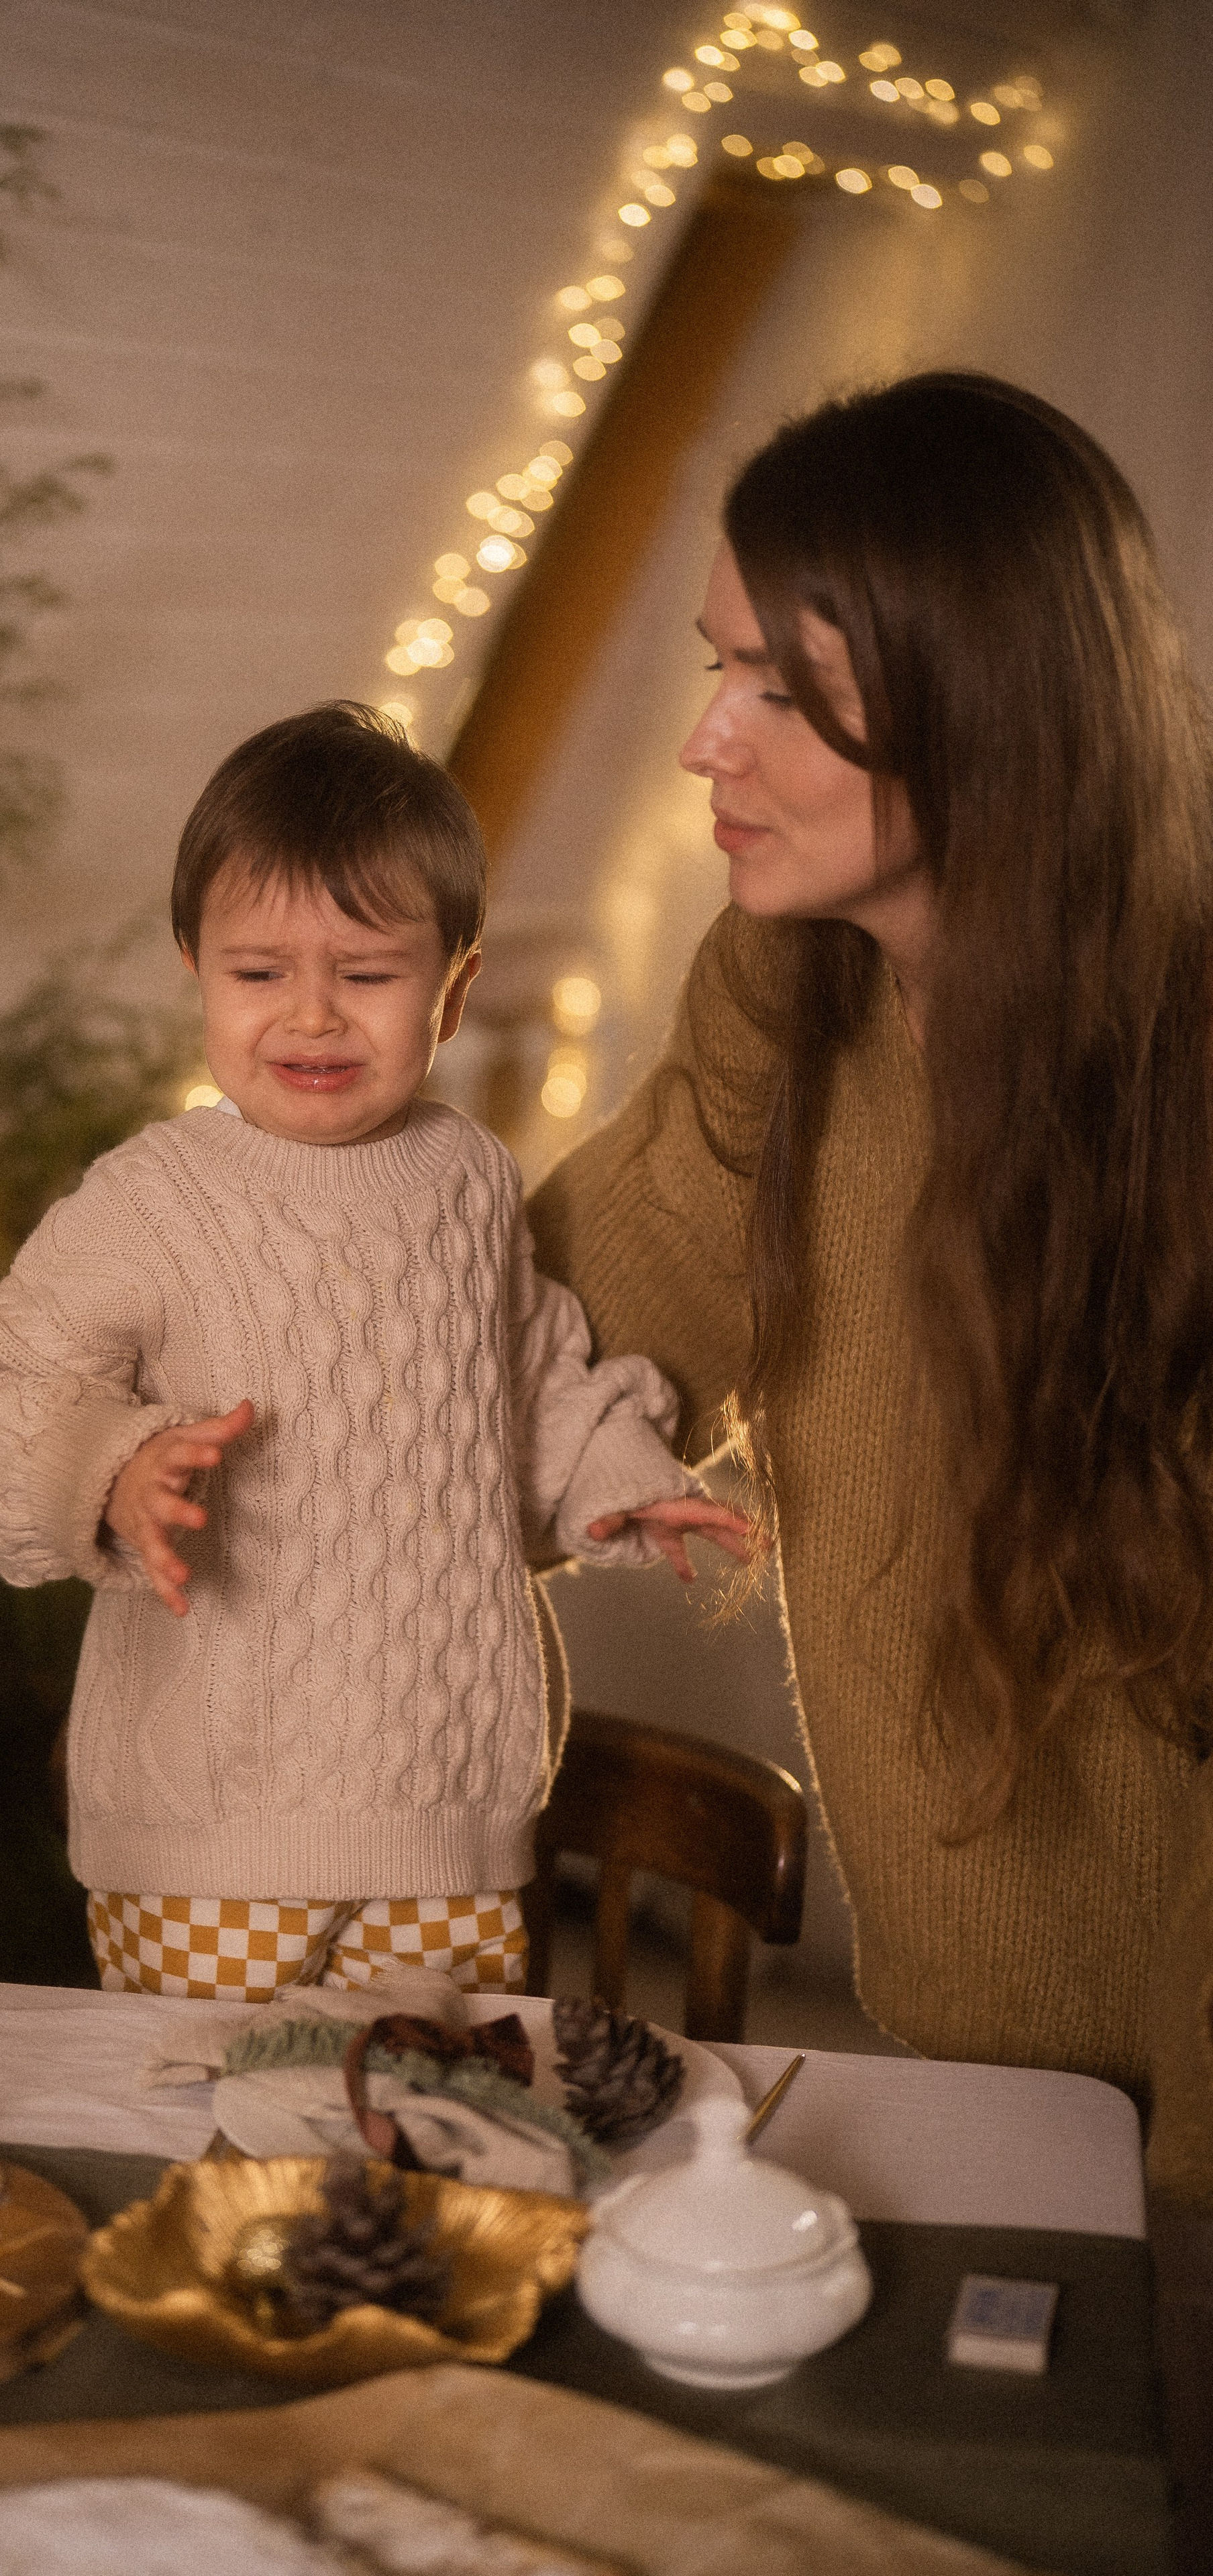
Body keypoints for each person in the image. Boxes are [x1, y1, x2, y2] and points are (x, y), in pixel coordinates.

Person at [527, 372, 1213, 2199]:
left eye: (778, 691)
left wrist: (1180, 2226)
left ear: (981, 705)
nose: (704, 747)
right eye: (712, 669)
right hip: (977, 2086)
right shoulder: (792, 994)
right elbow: (553, 1352)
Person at [0, 704, 753, 2004]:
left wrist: (617, 1468)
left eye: (365, 976)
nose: (311, 1017)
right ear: (192, 965)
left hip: (450, 1814)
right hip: (212, 1830)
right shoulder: (158, 1196)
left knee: (428, 2140)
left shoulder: (469, 1181)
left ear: (453, 984)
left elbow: (526, 1375)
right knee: (217, 2152)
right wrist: (110, 1468)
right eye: (258, 974)